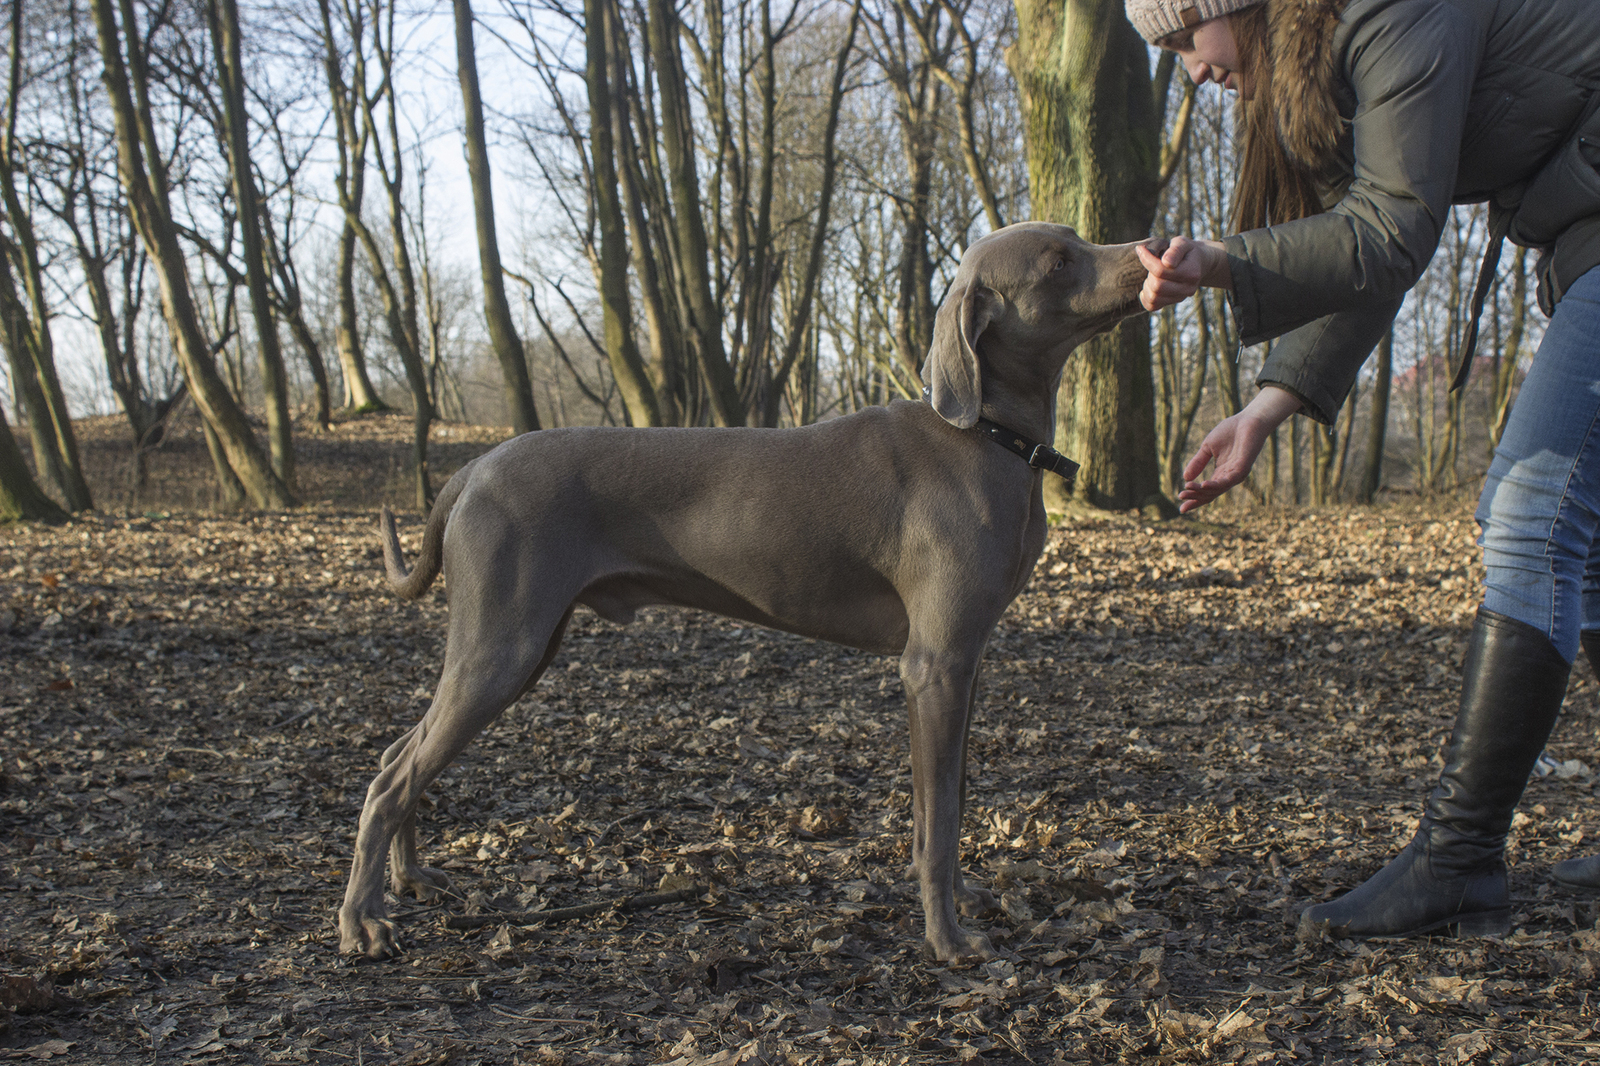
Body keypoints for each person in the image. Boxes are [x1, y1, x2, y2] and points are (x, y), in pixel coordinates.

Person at [1123, 0, 1600, 939]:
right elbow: (1374, 247)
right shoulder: (1337, 49)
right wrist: (1269, 406)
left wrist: (1221, 262)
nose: (1193, 72)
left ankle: (1460, 860)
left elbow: (1388, 234)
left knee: (1531, 514)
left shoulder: (1393, 8)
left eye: (1187, 40)